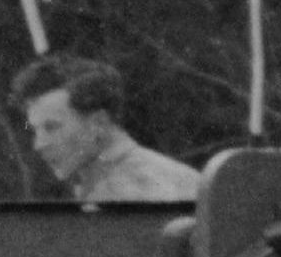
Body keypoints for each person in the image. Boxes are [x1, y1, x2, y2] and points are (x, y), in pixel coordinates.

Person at [13, 53, 201, 202]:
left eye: (52, 127)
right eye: (35, 131)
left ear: (99, 123)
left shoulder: (134, 194)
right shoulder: (106, 184)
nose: (39, 145)